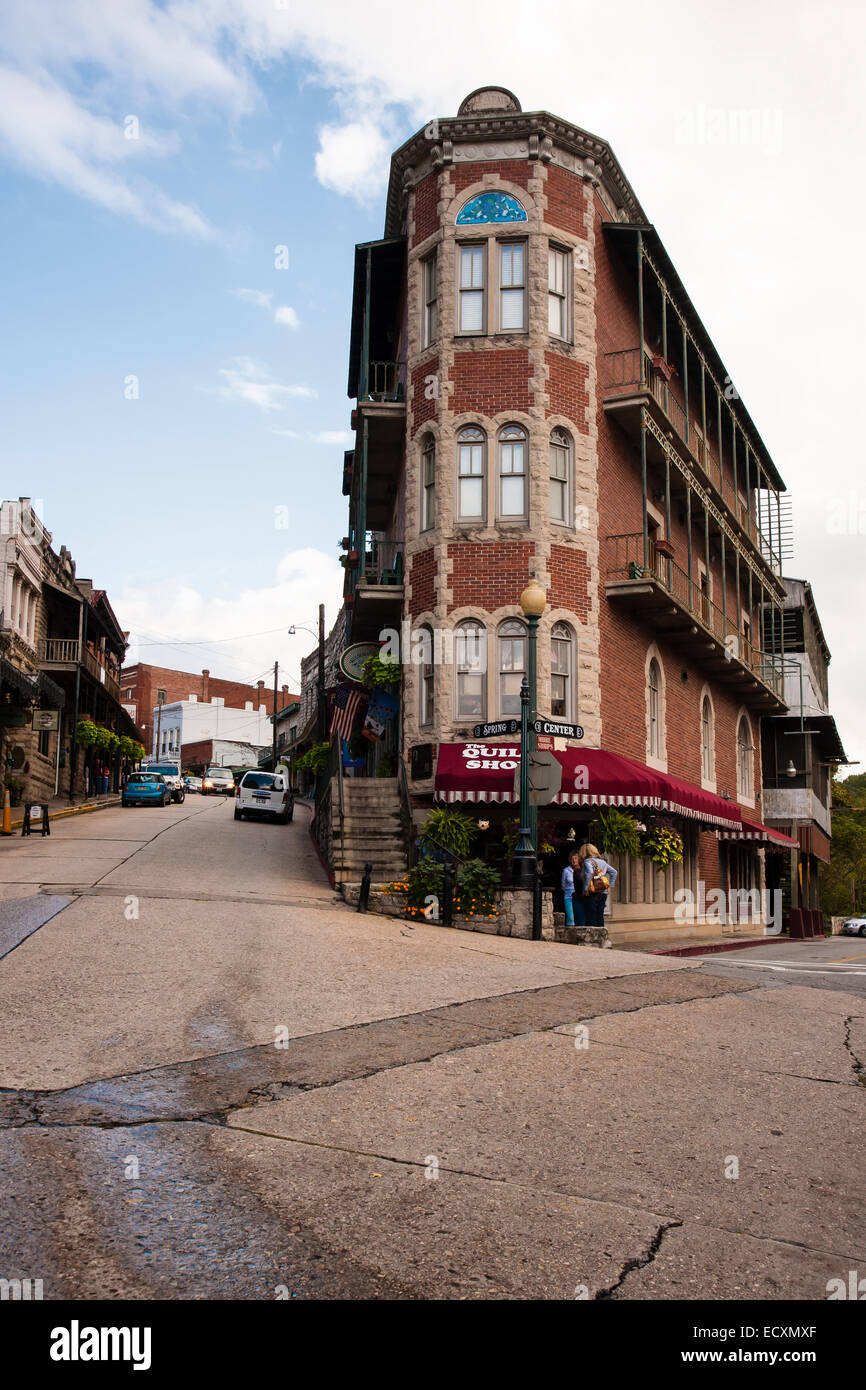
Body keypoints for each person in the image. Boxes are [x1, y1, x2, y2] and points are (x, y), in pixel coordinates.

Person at [579, 842, 618, 928]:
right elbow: (614, 872)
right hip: (603, 892)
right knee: (600, 916)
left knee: (590, 916)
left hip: (592, 892)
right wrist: (610, 886)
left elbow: (589, 873)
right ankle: (601, 937)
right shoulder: (602, 862)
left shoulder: (587, 861)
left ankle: (592, 938)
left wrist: (586, 888)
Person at [561, 851, 584, 927]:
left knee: (580, 917)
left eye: (576, 858)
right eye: (572, 858)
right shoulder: (566, 870)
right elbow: (563, 885)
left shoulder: (582, 870)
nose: (574, 860)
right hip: (569, 896)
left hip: (580, 896)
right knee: (570, 918)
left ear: (579, 859)